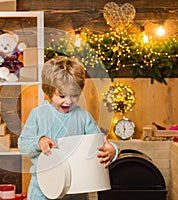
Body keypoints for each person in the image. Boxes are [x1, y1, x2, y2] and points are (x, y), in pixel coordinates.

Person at [18, 56, 119, 200]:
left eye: (75, 95)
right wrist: (39, 141)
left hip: (77, 191)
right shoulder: (38, 114)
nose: (68, 101)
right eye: (62, 95)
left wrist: (112, 150)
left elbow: (100, 144)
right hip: (42, 191)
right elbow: (23, 145)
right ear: (49, 90)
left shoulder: (83, 117)